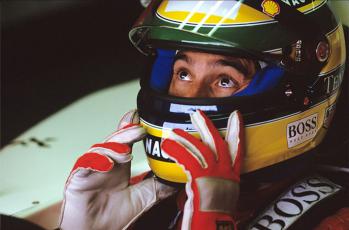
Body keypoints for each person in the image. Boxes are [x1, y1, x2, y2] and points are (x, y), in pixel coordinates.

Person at [58, 0, 349, 229]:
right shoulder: (141, 200)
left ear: (296, 94)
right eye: (183, 73)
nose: (192, 98)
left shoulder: (335, 220)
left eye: (225, 80)